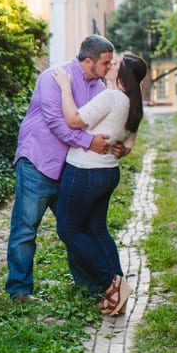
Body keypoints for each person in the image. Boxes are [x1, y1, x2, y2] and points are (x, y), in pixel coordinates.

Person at [5, 35, 126, 302]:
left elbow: (102, 126)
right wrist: (89, 142)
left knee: (75, 229)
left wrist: (115, 146)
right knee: (25, 229)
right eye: (105, 63)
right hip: (38, 163)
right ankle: (19, 290)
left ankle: (89, 287)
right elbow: (56, 123)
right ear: (87, 61)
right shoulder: (53, 78)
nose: (109, 68)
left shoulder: (99, 89)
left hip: (72, 172)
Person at [53, 52, 148, 316]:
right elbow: (127, 145)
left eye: (115, 64)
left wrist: (64, 85)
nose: (110, 65)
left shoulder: (112, 97)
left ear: (123, 74)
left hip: (85, 170)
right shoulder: (133, 103)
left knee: (68, 230)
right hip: (107, 172)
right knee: (97, 230)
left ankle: (110, 283)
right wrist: (120, 148)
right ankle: (118, 293)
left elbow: (74, 121)